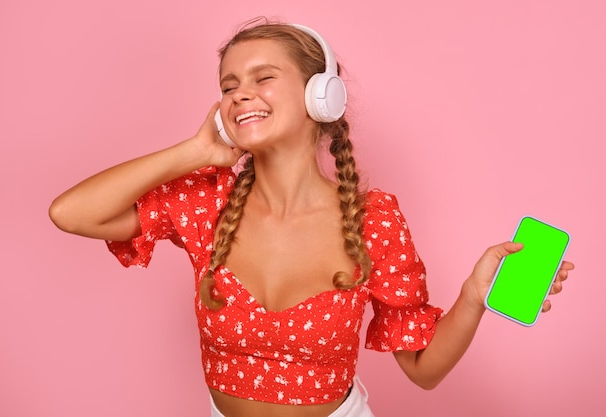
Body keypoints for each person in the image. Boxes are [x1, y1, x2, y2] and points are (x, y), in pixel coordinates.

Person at [49, 18, 574, 417]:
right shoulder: (205, 199)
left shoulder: (373, 219)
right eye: (228, 85)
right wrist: (194, 153)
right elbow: (70, 213)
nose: (240, 94)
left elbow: (424, 371)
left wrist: (473, 298)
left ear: (320, 97)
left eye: (263, 77)